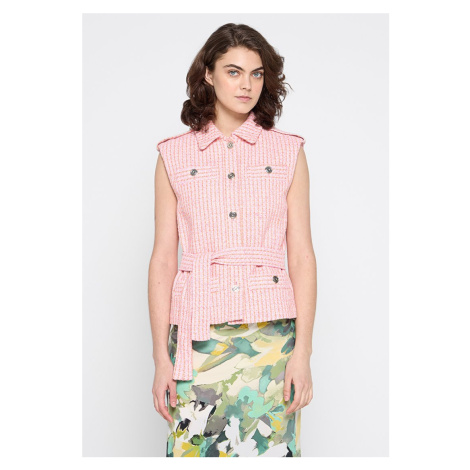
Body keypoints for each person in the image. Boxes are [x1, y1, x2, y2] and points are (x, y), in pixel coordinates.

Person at [148, 23, 317, 457]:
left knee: (269, 452)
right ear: (208, 74)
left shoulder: (288, 151)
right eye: (234, 71)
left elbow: (301, 255)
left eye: (257, 73)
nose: (247, 85)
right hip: (195, 335)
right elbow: (164, 259)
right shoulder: (173, 154)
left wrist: (302, 353)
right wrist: (161, 359)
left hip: (271, 337)